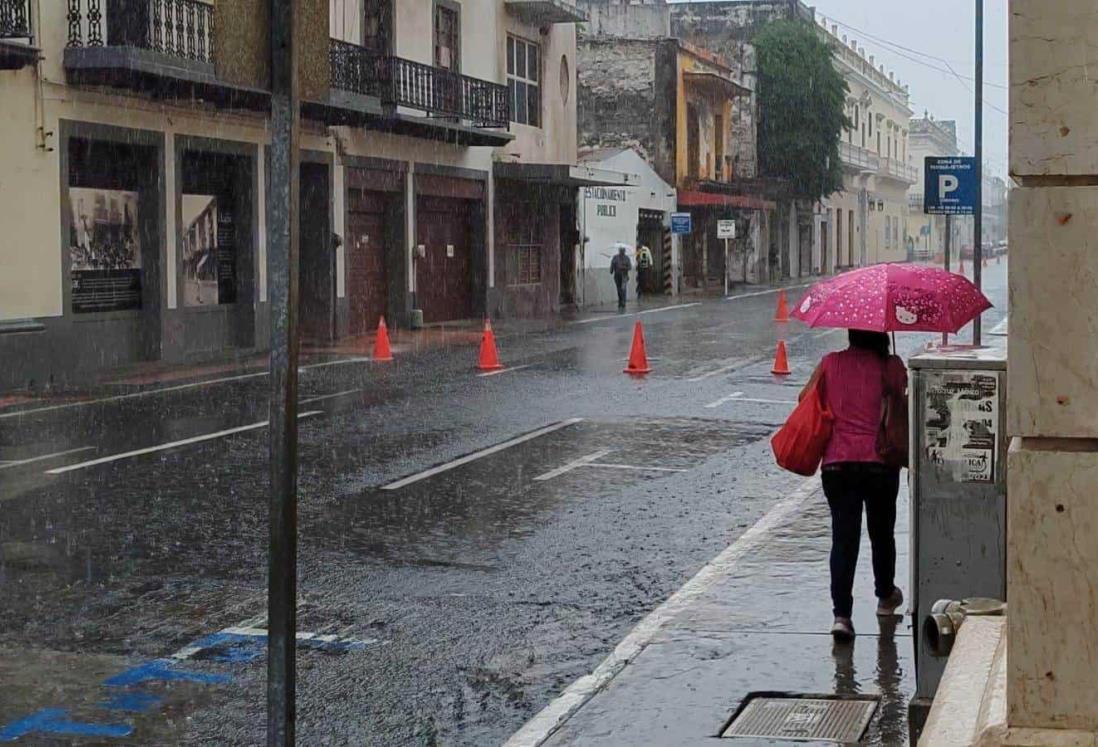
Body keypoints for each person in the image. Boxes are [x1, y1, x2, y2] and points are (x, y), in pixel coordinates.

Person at [801, 329, 908, 642]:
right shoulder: (891, 366)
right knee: (881, 533)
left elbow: (804, 398)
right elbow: (900, 404)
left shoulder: (830, 363)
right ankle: (885, 596)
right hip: (880, 462)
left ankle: (842, 616)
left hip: (838, 464)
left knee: (843, 539)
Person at [610, 246, 632, 311]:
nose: (622, 252)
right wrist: (611, 270)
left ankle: (623, 302)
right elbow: (612, 265)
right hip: (617, 276)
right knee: (619, 289)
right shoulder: (615, 257)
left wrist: (624, 267)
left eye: (623, 250)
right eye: (621, 250)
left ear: (624, 251)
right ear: (619, 251)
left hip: (624, 276)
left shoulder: (627, 258)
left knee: (623, 289)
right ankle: (620, 301)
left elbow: (630, 267)